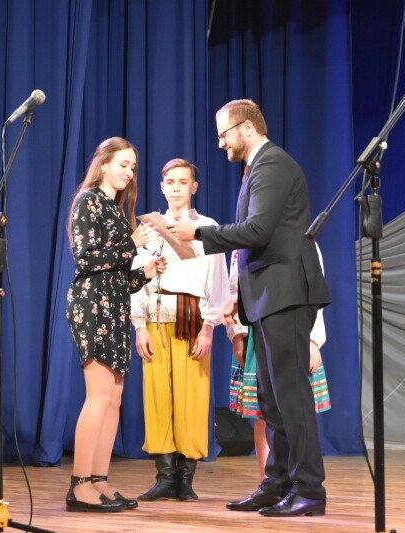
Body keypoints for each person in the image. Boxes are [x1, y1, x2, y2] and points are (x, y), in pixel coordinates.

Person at [169, 99, 331, 517]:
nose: (221, 142)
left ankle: (310, 489)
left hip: (287, 294)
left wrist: (198, 233)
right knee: (271, 399)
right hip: (267, 296)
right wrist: (238, 297)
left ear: (246, 128)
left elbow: (257, 231)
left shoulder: (272, 164)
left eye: (224, 134)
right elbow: (261, 241)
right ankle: (277, 483)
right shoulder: (257, 169)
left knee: (291, 396)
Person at [65, 137, 166, 513]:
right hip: (92, 305)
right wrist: (132, 243)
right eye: (123, 164)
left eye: (132, 167)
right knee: (98, 395)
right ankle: (79, 486)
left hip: (115, 305)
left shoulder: (114, 209)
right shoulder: (88, 201)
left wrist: (144, 273)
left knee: (114, 398)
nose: (128, 172)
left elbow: (117, 274)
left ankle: (99, 480)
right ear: (103, 163)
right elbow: (86, 259)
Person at [131, 159, 229, 502]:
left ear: (193, 187)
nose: (176, 188)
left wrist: (209, 328)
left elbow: (217, 280)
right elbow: (137, 278)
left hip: (192, 320)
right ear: (162, 187)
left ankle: (186, 478)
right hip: (156, 319)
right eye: (170, 182)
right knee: (158, 398)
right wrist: (139, 327)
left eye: (182, 182)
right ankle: (165, 477)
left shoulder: (207, 227)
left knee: (192, 398)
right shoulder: (148, 228)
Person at [227, 245, 331, 481]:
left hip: (295, 332)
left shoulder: (304, 241)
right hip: (257, 334)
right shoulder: (243, 246)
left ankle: (299, 478)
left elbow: (315, 293)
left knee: (296, 410)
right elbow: (235, 290)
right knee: (264, 414)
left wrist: (312, 341)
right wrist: (237, 335)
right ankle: (269, 480)